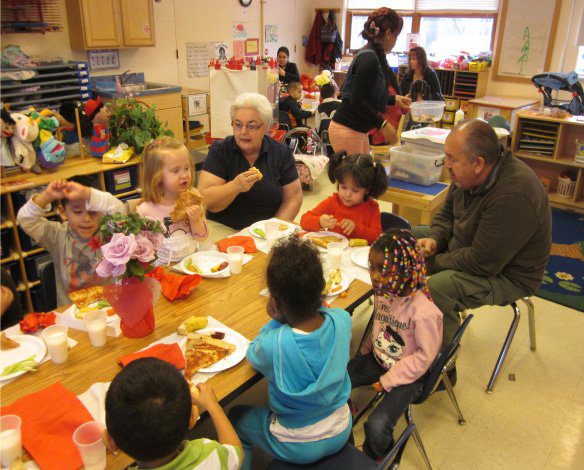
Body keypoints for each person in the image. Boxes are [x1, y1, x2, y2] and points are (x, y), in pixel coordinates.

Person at [415, 119, 552, 383]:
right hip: (471, 246)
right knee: (405, 240)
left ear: (478, 163)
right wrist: (434, 239)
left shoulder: (514, 194)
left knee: (441, 286)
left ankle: (442, 370)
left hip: (508, 274)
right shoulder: (465, 171)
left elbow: (482, 262)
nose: (447, 165)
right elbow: (445, 215)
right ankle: (403, 330)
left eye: (451, 159)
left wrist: (432, 263)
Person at [228, 236, 352, 469]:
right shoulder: (343, 320)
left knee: (235, 417)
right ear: (321, 288)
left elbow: (254, 353)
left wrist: (275, 322)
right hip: (342, 427)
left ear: (274, 300)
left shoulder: (274, 343)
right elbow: (326, 316)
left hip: (300, 445)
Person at [348, 229, 442, 460]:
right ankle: (346, 414)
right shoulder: (384, 293)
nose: (376, 276)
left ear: (407, 271)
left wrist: (390, 379)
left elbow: (424, 357)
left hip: (410, 376)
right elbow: (381, 325)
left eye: (384, 270)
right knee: (337, 378)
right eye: (372, 267)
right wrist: (365, 352)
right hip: (380, 359)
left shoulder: (425, 313)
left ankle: (377, 456)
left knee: (377, 425)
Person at [105, 357, 243, 470]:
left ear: (112, 441)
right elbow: (237, 453)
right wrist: (213, 405)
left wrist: (118, 432)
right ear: (192, 419)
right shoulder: (211, 455)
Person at [198, 92, 303, 230]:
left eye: (252, 126)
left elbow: (293, 197)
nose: (243, 132)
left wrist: (274, 229)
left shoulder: (281, 153)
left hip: (266, 232)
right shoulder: (220, 150)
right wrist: (235, 186)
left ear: (266, 127)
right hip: (223, 229)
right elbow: (206, 199)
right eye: (238, 124)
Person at [17, 178, 126, 307]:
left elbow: (121, 210)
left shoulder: (109, 229)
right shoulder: (57, 234)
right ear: (63, 212)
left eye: (94, 211)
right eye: (78, 212)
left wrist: (88, 193)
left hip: (111, 307)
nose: (87, 219)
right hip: (72, 314)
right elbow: (25, 219)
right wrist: (48, 195)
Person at [329, 8, 411, 155]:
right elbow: (357, 101)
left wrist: (394, 99)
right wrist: (383, 124)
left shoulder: (375, 55)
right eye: (396, 36)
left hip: (355, 129)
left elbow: (368, 94)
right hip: (347, 128)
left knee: (363, 174)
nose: (395, 41)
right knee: (356, 177)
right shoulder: (369, 59)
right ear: (387, 34)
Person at [136, 136, 208, 264]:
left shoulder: (193, 197)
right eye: (176, 171)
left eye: (187, 168)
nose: (184, 175)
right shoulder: (145, 210)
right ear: (156, 176)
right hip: (164, 271)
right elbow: (142, 255)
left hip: (193, 263)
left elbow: (202, 237)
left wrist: (195, 220)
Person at [300, 152, 387, 244]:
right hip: (334, 252)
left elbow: (377, 237)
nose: (347, 194)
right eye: (343, 187)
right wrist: (319, 222)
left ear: (367, 190)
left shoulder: (372, 208)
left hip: (357, 255)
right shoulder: (333, 202)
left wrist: (357, 228)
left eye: (355, 190)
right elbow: (304, 220)